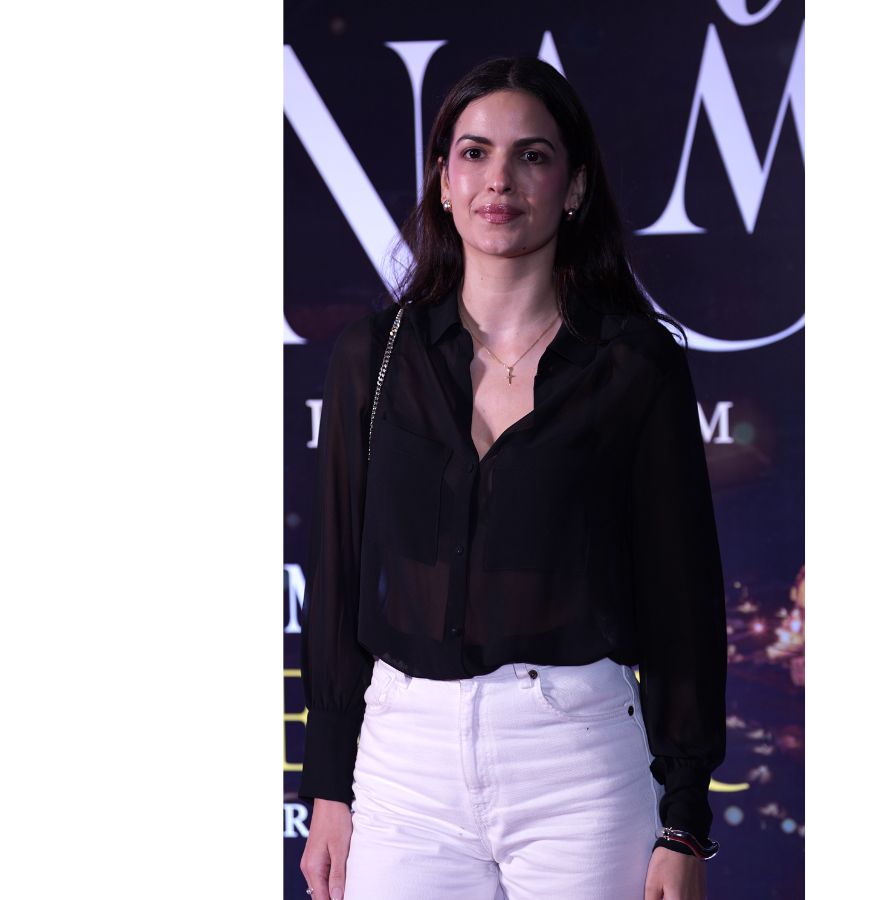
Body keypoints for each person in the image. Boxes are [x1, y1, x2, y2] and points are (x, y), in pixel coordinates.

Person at [298, 56, 727, 900]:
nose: (499, 179)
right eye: (474, 153)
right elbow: (339, 581)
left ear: (574, 186)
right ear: (444, 182)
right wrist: (329, 787)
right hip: (402, 766)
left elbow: (682, 597)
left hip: (579, 763)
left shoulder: (633, 364)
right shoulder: (372, 357)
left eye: (531, 155)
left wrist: (683, 818)